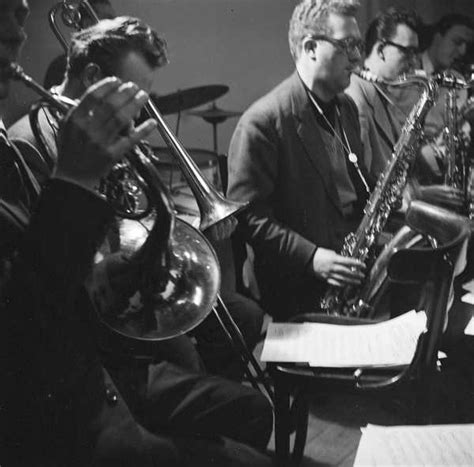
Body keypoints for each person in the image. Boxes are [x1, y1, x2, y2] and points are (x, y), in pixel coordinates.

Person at [0, 2, 273, 466]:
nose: (19, 37)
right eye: (134, 95)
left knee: (240, 327)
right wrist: (79, 184)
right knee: (192, 357)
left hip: (86, 345)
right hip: (77, 378)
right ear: (91, 77)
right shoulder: (29, 141)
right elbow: (36, 300)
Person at [227, 0, 370, 320]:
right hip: (297, 288)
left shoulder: (345, 107)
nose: (358, 57)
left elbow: (353, 183)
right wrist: (313, 257)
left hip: (348, 271)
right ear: (310, 48)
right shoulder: (262, 121)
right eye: (348, 45)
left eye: (359, 45)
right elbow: (248, 218)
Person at [345, 7, 420, 180]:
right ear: (381, 50)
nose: (414, 62)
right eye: (407, 52)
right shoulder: (356, 94)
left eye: (415, 53)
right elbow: (360, 175)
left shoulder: (383, 93)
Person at [44, 0, 117, 88]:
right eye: (109, 19)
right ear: (88, 24)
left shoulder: (112, 62)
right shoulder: (61, 66)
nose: (115, 25)